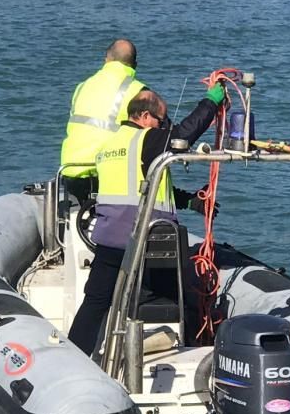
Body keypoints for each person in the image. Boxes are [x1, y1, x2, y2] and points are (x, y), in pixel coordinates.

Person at [66, 84, 225, 357]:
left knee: (95, 301)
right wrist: (211, 102)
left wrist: (191, 202)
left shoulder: (109, 146)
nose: (163, 127)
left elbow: (142, 187)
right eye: (161, 121)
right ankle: (199, 356)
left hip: (111, 239)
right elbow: (184, 134)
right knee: (188, 299)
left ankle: (74, 357)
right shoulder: (146, 140)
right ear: (144, 117)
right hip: (148, 240)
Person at [60, 39, 146, 205]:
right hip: (104, 176)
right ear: (135, 65)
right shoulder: (137, 91)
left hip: (68, 171)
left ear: (106, 60)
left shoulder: (82, 86)